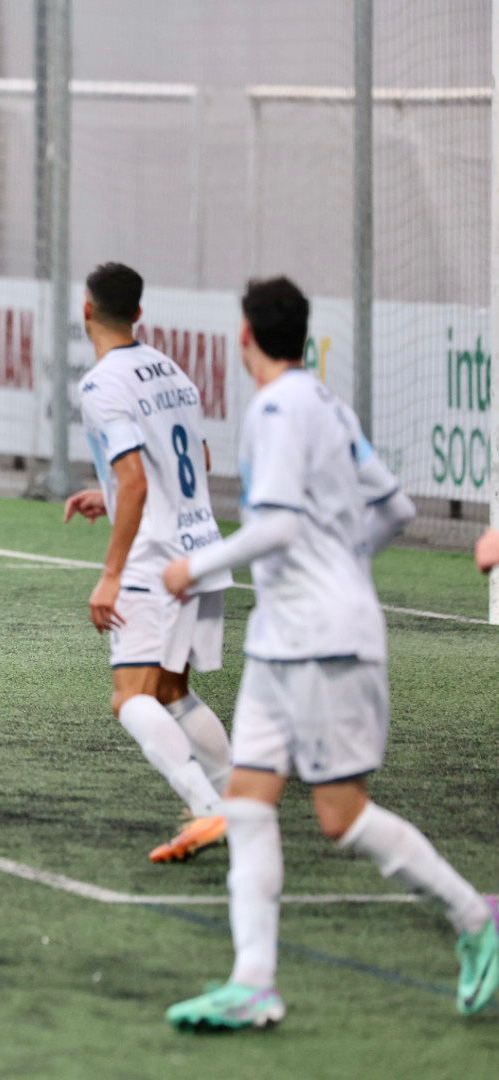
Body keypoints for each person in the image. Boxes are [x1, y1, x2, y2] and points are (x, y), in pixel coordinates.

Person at [161, 276, 498, 1031]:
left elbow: (278, 528)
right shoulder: (330, 405)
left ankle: (476, 922)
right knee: (247, 802)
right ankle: (253, 983)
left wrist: (196, 568)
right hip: (288, 639)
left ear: (245, 336)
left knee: (340, 816)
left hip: (320, 641)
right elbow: (397, 509)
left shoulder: (278, 408)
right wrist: (346, 570)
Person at [63, 263, 232, 863]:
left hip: (153, 560)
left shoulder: (102, 384)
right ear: (139, 313)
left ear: (87, 311)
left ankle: (209, 809)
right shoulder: (172, 370)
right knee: (170, 690)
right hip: (200, 545)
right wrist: (105, 494)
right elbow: (199, 456)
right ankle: (240, 805)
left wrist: (111, 573)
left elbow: (134, 481)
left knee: (129, 697)